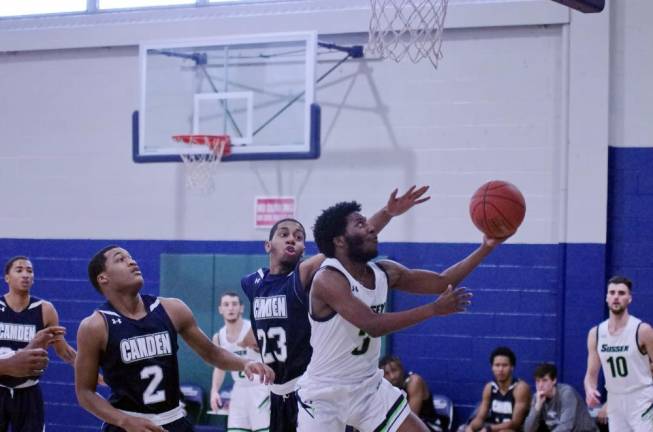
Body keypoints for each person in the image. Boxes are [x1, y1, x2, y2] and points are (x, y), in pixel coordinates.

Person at [295, 200, 502, 432]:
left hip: (367, 389)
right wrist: (432, 309)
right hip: (325, 394)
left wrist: (487, 246)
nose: (371, 228)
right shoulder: (328, 278)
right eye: (360, 224)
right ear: (339, 240)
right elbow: (372, 325)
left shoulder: (385, 271)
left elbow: (442, 282)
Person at [242, 186, 433, 432]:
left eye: (299, 237)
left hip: (313, 391)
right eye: (284, 234)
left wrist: (387, 213)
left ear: (305, 250)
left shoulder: (305, 277)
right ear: (267, 245)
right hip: (275, 392)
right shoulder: (252, 283)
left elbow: (352, 240)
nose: (292, 238)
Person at [75, 245, 274, 432]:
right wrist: (124, 420)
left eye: (131, 257)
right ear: (103, 278)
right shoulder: (95, 326)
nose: (132, 262)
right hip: (127, 423)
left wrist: (244, 363)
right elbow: (85, 393)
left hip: (173, 419)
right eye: (121, 259)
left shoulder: (172, 309)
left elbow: (211, 353)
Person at [0, 256, 77, 432]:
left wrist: (88, 369)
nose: (25, 274)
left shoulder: (45, 309)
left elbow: (63, 350)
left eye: (29, 270)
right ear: (7, 277)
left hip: (28, 391)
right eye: (19, 270)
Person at [584, 275, 653, 432]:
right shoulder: (595, 333)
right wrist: (589, 389)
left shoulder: (642, 330)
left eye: (621, 293)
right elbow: (591, 374)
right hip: (615, 400)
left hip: (642, 397)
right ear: (606, 298)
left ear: (629, 298)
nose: (616, 297)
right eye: (612, 292)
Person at [210, 292, 270, 432]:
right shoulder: (219, 337)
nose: (230, 308)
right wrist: (214, 391)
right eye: (226, 304)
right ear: (220, 309)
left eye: (234, 304)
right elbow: (220, 367)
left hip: (260, 388)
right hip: (238, 390)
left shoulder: (253, 330)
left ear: (241, 308)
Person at [462, 347, 531, 432]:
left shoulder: (520, 388)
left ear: (512, 367)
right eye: (497, 365)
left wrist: (488, 429)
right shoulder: (489, 387)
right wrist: (471, 427)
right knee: (464, 428)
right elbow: (480, 418)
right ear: (492, 367)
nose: (500, 369)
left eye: (504, 365)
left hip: (514, 430)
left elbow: (515, 423)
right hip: (494, 428)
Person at [380, 354, 448, 431]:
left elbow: (409, 417)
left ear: (401, 369)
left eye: (394, 370)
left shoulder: (414, 381)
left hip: (428, 426)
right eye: (387, 373)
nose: (392, 376)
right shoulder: (385, 389)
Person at [523, 363, 597, 432]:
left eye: (544, 380)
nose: (540, 385)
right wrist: (537, 407)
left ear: (554, 380)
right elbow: (528, 430)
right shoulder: (537, 398)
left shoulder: (567, 394)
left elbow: (566, 426)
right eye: (537, 381)